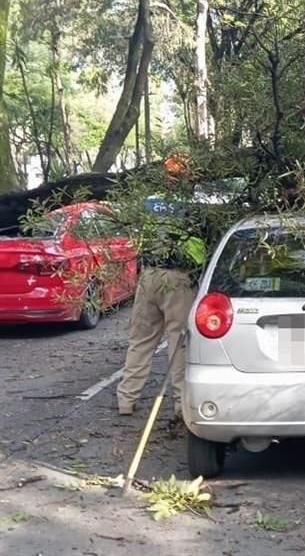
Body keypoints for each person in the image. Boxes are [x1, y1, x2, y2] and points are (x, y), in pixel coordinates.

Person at [116, 154, 208, 417]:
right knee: (178, 341)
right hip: (179, 278)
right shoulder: (195, 207)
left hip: (150, 276)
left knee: (141, 340)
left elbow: (141, 238)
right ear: (187, 179)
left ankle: (126, 399)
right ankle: (181, 403)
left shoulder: (149, 203)